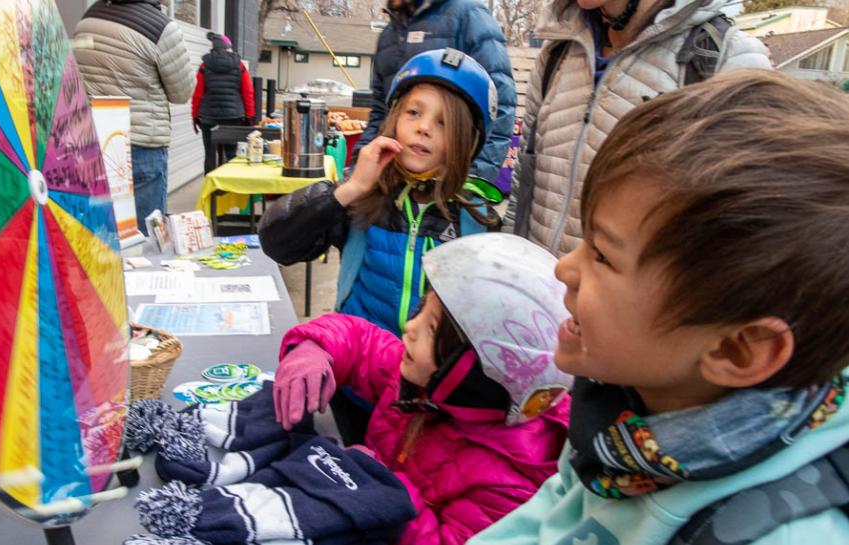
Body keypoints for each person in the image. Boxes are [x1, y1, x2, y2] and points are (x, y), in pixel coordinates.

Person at [469, 70, 849, 545]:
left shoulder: (780, 535)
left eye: (603, 255)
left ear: (737, 350)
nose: (564, 268)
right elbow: (557, 510)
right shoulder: (626, 415)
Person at [275, 232, 573, 545]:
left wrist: (383, 490)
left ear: (476, 377)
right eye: (421, 310)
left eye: (430, 328)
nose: (409, 326)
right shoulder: (422, 386)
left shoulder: (508, 484)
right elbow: (362, 342)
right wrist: (315, 347)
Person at [260, 48, 500, 338]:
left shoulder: (476, 218)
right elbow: (276, 243)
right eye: (414, 112)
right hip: (358, 370)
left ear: (468, 142)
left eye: (444, 122)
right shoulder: (365, 194)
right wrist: (348, 190)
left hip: (423, 377)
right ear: (395, 119)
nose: (423, 127)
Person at [501, 0, 771, 254]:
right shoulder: (557, 53)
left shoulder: (725, 57)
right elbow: (523, 182)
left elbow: (742, 235)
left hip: (631, 300)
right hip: (541, 290)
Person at [355, 0, 516, 192]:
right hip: (392, 185)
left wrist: (471, 181)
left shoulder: (469, 15)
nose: (423, 127)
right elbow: (380, 114)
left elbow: (499, 108)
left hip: (449, 191)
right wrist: (356, 170)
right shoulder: (388, 35)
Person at [73, 0, 195, 232]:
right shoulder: (161, 28)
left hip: (94, 141)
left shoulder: (88, 18)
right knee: (145, 235)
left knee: (99, 232)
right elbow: (182, 92)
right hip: (142, 144)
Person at [191, 32, 255, 176]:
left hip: (208, 118)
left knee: (210, 155)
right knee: (232, 154)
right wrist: (250, 115)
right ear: (228, 48)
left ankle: (211, 192)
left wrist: (195, 116)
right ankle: (230, 192)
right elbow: (247, 92)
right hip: (233, 118)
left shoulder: (204, 65)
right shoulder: (239, 65)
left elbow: (198, 93)